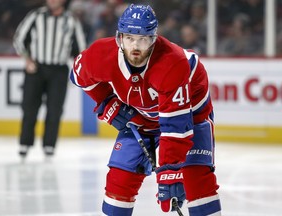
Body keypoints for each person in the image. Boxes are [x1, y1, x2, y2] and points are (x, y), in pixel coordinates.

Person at [70, 4, 221, 216]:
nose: (136, 46)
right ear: (119, 38)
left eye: (143, 39)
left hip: (190, 115)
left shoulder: (172, 63)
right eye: (130, 38)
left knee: (196, 179)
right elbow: (78, 76)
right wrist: (107, 103)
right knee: (119, 179)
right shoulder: (101, 54)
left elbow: (175, 127)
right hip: (142, 117)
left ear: (154, 39)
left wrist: (170, 171)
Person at [13, 0, 86, 158]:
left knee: (55, 110)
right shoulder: (36, 15)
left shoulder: (71, 20)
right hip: (36, 68)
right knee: (29, 107)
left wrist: (77, 71)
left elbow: (81, 50)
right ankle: (25, 143)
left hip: (58, 70)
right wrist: (27, 60)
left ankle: (49, 145)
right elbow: (19, 38)